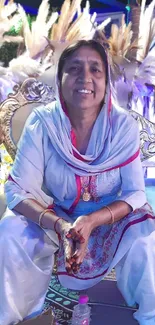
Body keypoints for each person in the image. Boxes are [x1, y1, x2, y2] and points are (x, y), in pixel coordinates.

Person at [0, 39, 155, 325]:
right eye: (74, 69)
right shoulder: (43, 123)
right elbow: (17, 188)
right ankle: (14, 316)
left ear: (106, 81)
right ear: (60, 80)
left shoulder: (123, 126)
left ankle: (151, 315)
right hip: (56, 215)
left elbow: (134, 193)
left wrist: (92, 220)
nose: (85, 78)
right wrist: (60, 225)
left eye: (95, 69)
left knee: (147, 230)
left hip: (108, 219)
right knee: (10, 228)